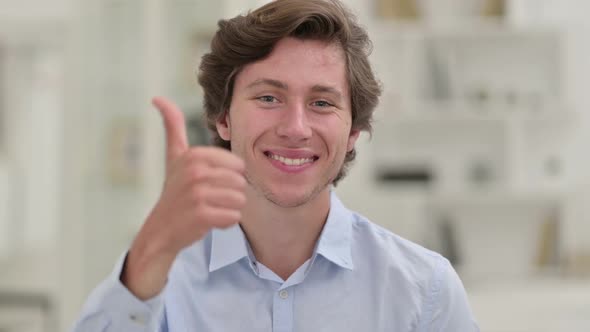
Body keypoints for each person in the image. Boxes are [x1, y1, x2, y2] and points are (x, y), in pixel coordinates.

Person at [72, 0, 479, 331]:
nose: (296, 128)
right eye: (269, 98)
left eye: (321, 103)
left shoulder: (425, 291)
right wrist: (152, 249)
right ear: (223, 119)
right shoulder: (157, 281)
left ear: (353, 130)